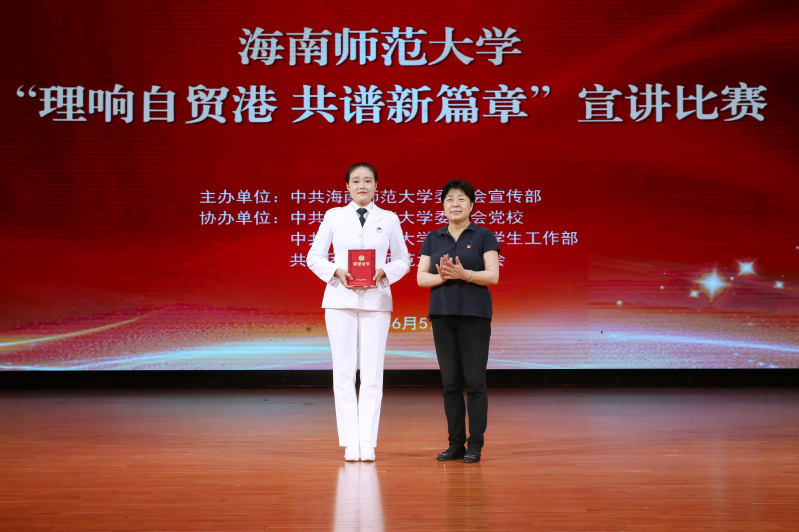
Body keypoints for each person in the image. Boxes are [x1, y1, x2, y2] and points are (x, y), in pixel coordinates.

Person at [307, 163, 411, 462]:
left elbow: (403, 259)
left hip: (376, 301)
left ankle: (368, 441)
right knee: (343, 372)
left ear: (377, 185)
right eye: (356, 181)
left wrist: (385, 271)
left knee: (372, 373)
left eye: (367, 180)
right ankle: (351, 442)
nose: (361, 185)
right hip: (339, 300)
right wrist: (335, 271)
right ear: (347, 186)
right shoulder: (333, 216)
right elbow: (314, 256)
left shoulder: (389, 218)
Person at [417, 180, 500, 464]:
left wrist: (466, 275)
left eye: (462, 199)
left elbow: (493, 275)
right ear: (443, 205)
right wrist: (441, 277)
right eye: (450, 198)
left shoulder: (484, 235)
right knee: (450, 383)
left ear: (472, 205)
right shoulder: (433, 237)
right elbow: (421, 278)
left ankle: (475, 444)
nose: (455, 203)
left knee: (475, 382)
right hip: (442, 315)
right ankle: (455, 444)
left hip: (475, 316)